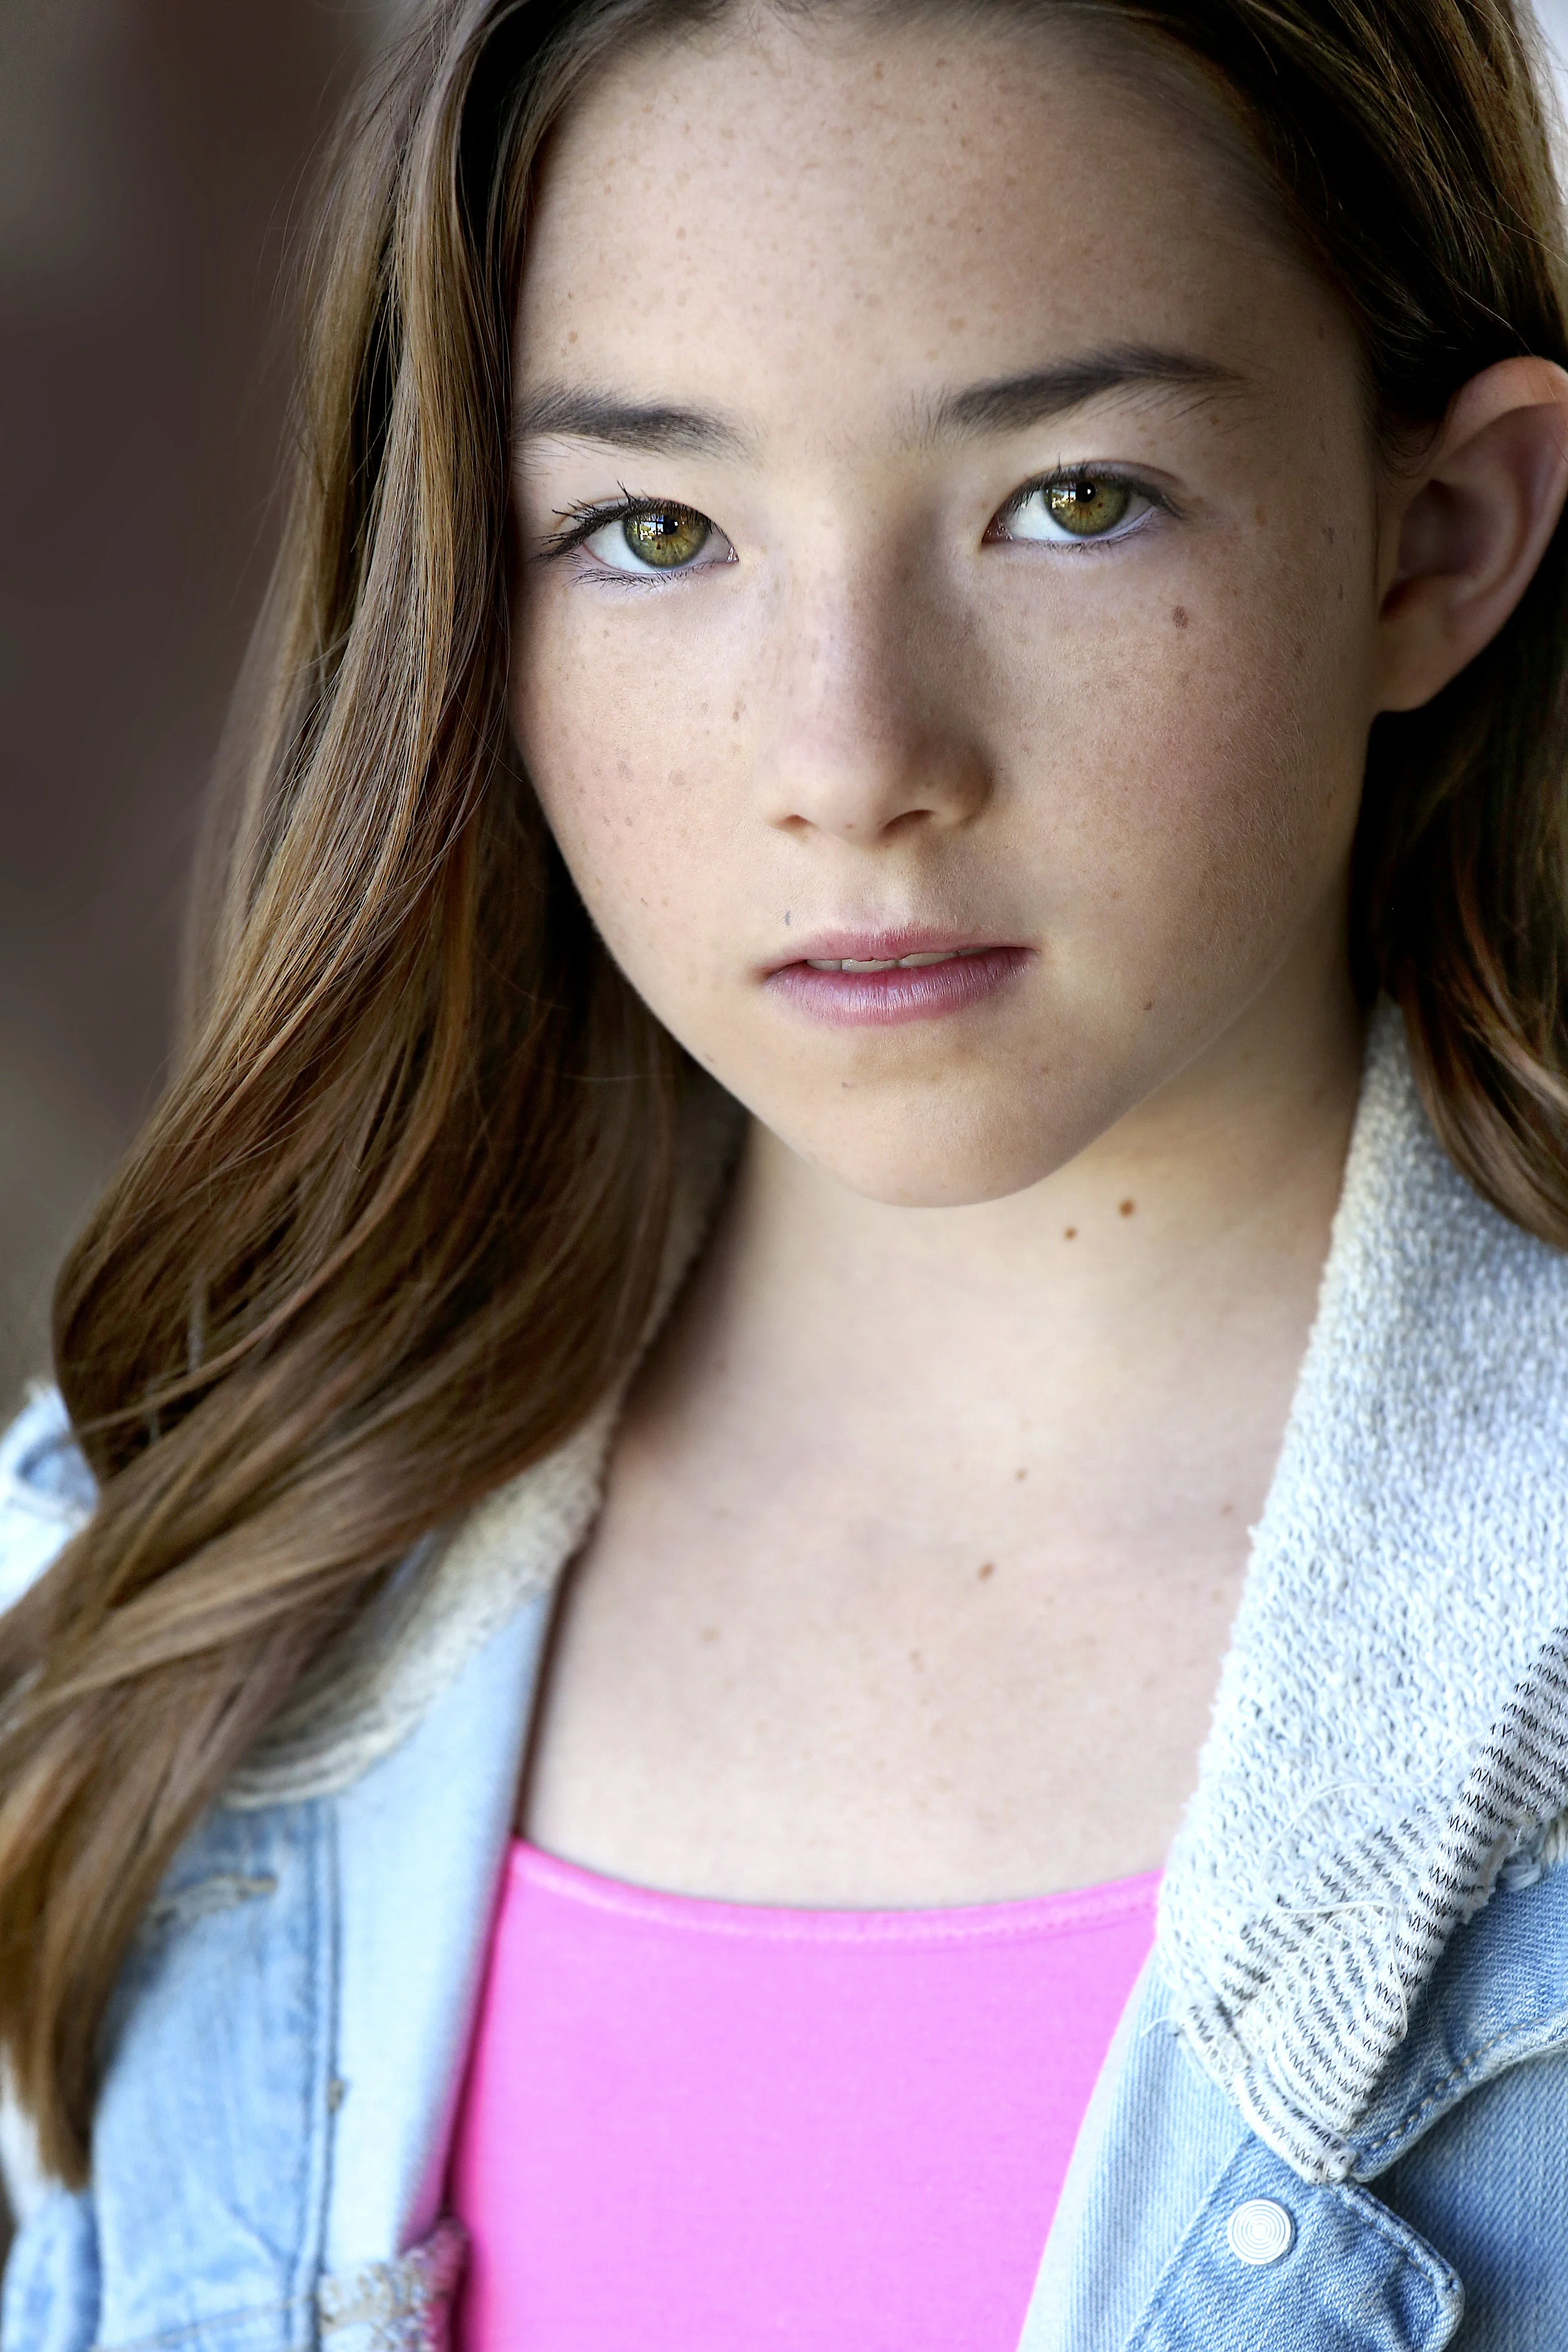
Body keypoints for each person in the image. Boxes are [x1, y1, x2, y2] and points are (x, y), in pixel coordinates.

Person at [5, 0, 1568, 2343]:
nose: (852, 760)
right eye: (654, 532)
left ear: (1434, 539)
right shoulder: (187, 1577)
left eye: (1068, 500)